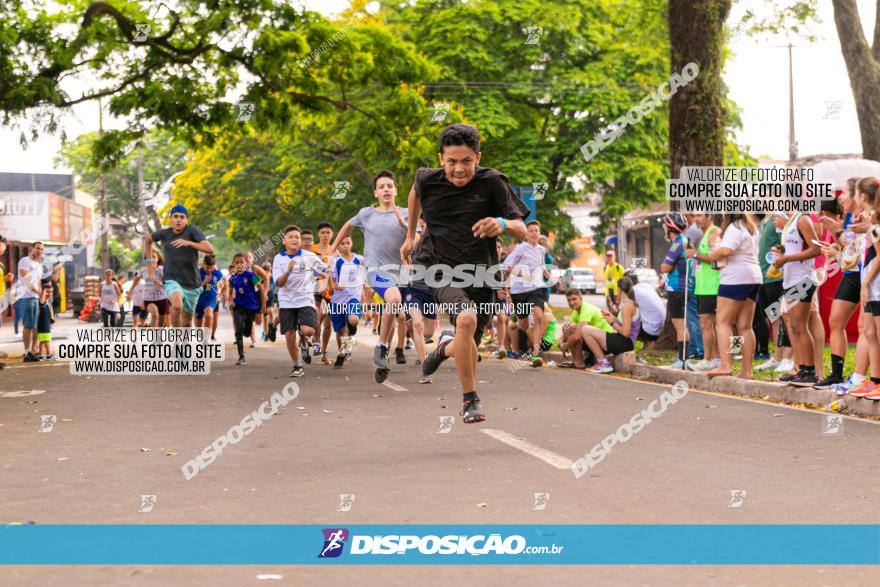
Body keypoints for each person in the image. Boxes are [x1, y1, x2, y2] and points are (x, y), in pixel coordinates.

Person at [400, 123, 529, 423]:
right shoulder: (427, 179)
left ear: (478, 158)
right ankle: (471, 400)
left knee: (467, 343)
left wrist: (502, 223)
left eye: (466, 161)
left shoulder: (493, 182)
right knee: (466, 318)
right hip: (437, 264)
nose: (459, 169)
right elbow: (415, 193)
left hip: (481, 271)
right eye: (451, 161)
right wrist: (410, 235)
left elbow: (522, 229)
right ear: (440, 158)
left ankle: (445, 349)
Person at [331, 170, 410, 382]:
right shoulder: (367, 214)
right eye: (381, 186)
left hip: (399, 272)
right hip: (375, 270)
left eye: (389, 186)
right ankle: (381, 347)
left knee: (392, 312)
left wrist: (407, 229)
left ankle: (383, 359)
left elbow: (418, 235)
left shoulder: (406, 212)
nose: (386, 189)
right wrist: (333, 246)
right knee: (393, 300)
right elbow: (348, 225)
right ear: (375, 192)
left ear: (395, 190)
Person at [699, 214, 762, 379]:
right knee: (745, 326)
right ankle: (747, 370)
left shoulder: (735, 227)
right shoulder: (751, 227)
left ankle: (726, 365)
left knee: (722, 323)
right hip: (753, 276)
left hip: (735, 278)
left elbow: (727, 251)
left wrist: (713, 254)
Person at [771, 211, 821, 385]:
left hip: (803, 279)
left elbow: (816, 249)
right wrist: (781, 252)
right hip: (789, 279)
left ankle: (810, 372)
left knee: (800, 325)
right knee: (794, 326)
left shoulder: (803, 219)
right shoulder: (791, 220)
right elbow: (797, 245)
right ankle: (801, 369)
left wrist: (786, 258)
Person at [145, 205, 215, 327]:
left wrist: (188, 242)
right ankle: (177, 340)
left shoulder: (192, 231)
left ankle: (183, 343)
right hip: (172, 279)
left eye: (182, 217)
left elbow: (210, 249)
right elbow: (148, 240)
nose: (178, 220)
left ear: (186, 220)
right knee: (177, 305)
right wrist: (149, 263)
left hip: (192, 282)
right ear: (170, 219)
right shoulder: (165, 233)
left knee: (187, 322)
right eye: (175, 216)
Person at [273, 225, 327, 377]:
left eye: (297, 237)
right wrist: (289, 271)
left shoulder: (309, 256)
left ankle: (302, 332)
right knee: (289, 334)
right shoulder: (279, 259)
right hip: (286, 301)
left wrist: (326, 282)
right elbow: (279, 283)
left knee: (308, 330)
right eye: (290, 237)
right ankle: (297, 365)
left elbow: (325, 270)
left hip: (305, 299)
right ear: (284, 241)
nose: (294, 239)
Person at [502, 219, 549, 367]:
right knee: (523, 323)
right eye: (531, 231)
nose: (534, 233)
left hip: (536, 288)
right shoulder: (521, 248)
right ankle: (519, 325)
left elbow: (542, 266)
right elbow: (507, 266)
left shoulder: (541, 250)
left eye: (537, 230)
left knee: (538, 315)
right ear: (526, 235)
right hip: (519, 291)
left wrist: (551, 277)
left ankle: (535, 355)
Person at [754, 213, 790, 372]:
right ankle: (777, 357)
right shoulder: (762, 221)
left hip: (775, 278)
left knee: (781, 319)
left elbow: (786, 245)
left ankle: (785, 358)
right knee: (773, 318)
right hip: (763, 277)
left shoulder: (779, 218)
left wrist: (780, 252)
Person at [582, 277, 640, 374]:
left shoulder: (627, 306)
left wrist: (612, 323)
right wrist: (613, 318)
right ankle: (602, 362)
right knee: (586, 331)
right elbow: (626, 323)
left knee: (585, 329)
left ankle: (603, 363)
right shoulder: (629, 304)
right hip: (624, 341)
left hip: (624, 342)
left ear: (620, 289)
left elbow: (626, 332)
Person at [686, 213, 721, 371]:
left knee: (707, 323)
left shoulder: (715, 233)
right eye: (695, 215)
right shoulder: (704, 234)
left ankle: (708, 360)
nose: (696, 219)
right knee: (708, 324)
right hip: (702, 286)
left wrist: (694, 254)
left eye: (700, 215)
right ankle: (715, 359)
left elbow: (718, 260)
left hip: (712, 286)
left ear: (709, 216)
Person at [659, 212, 690, 368]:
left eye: (664, 225)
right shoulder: (684, 241)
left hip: (677, 288)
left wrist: (663, 266)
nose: (663, 228)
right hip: (684, 288)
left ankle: (683, 359)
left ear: (670, 227)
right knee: (682, 324)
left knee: (679, 324)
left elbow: (666, 266)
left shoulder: (678, 243)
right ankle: (685, 358)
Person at [328, 236, 363, 368]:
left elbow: (364, 279)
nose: (345, 245)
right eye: (342, 243)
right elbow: (331, 282)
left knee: (353, 320)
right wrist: (337, 286)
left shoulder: (360, 260)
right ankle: (341, 353)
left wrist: (365, 296)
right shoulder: (335, 261)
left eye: (348, 242)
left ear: (351, 243)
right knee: (340, 330)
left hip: (353, 297)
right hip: (337, 300)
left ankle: (352, 328)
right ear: (338, 246)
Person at [227, 253, 269, 365]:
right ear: (233, 264)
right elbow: (230, 291)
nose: (239, 264)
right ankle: (241, 356)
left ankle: (248, 330)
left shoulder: (250, 275)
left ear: (246, 264)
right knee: (238, 331)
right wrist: (230, 301)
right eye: (237, 262)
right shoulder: (232, 277)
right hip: (238, 306)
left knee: (246, 332)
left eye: (242, 262)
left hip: (251, 307)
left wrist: (263, 306)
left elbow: (260, 289)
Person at [559, 288, 615, 368]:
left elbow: (577, 336)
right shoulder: (576, 312)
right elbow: (567, 331)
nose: (571, 302)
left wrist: (565, 346)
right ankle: (576, 362)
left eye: (574, 299)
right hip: (594, 341)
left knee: (573, 330)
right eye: (569, 300)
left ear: (581, 298)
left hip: (607, 342)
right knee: (568, 327)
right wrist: (561, 343)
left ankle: (579, 362)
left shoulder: (586, 309)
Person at [14, 242, 44, 362]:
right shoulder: (25, 261)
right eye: (37, 248)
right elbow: (25, 278)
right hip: (26, 297)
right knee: (28, 326)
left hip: (35, 297)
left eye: (42, 249)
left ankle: (32, 351)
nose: (40, 251)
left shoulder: (39, 264)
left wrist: (40, 293)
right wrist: (36, 291)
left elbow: (39, 281)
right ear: (32, 248)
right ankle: (27, 353)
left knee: (35, 326)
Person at [312, 222, 335, 364]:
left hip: (332, 292)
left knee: (328, 325)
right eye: (323, 232)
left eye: (328, 232)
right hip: (316, 290)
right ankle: (315, 343)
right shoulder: (312, 250)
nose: (326, 235)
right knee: (316, 318)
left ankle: (324, 353)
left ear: (332, 234)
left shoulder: (335, 250)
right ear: (318, 234)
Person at [624, 270, 666, 342]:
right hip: (662, 329)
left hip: (652, 332)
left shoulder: (633, 291)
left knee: (624, 323)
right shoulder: (646, 286)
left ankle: (627, 347)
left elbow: (625, 311)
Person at [132, 250, 169, 328]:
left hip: (162, 299)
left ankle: (157, 338)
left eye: (154, 257)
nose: (152, 259)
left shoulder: (162, 269)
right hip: (148, 299)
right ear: (146, 259)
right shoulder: (143, 270)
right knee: (154, 314)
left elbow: (169, 283)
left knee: (161, 324)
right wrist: (130, 292)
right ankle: (154, 337)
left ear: (158, 259)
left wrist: (161, 284)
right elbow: (136, 280)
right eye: (149, 258)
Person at [195, 255, 223, 337]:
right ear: (203, 264)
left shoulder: (218, 274)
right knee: (198, 322)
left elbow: (224, 286)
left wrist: (220, 295)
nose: (209, 270)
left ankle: (206, 338)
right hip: (199, 299)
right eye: (207, 267)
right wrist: (205, 282)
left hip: (211, 299)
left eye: (211, 268)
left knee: (209, 315)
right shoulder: (197, 273)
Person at [36, 280, 54, 360]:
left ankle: (40, 353)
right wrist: (43, 293)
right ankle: (48, 354)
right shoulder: (42, 300)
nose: (49, 293)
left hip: (45, 323)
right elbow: (41, 302)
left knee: (43, 340)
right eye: (47, 291)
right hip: (43, 324)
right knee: (47, 339)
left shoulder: (47, 301)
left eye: (51, 292)